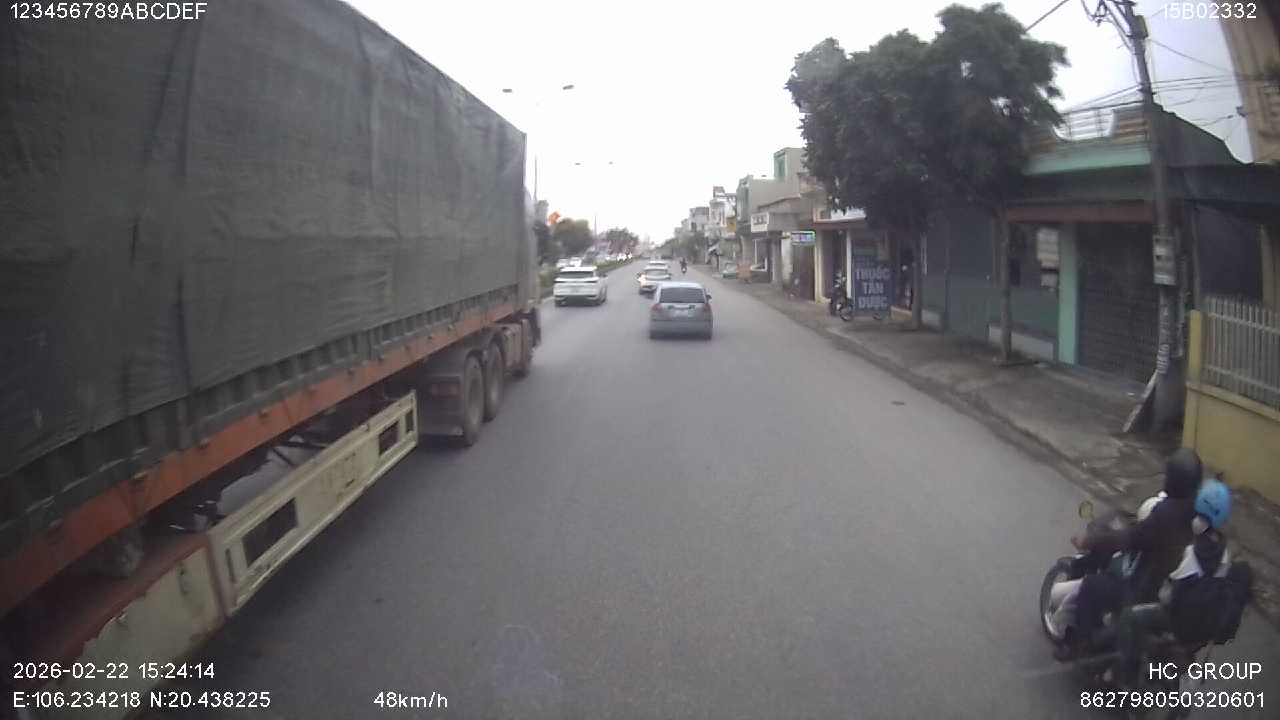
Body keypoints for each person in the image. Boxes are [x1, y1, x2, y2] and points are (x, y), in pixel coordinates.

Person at [1057, 448, 1202, 659]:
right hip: (1172, 587)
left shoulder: (1164, 514)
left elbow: (1130, 538)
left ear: (1172, 479)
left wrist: (1089, 541)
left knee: (1091, 586)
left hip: (1143, 589)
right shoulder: (1198, 512)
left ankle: (1081, 645)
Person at [1109, 478, 1233, 687]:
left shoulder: (1192, 553)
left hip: (1179, 619)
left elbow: (1167, 595)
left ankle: (1123, 676)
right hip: (1205, 625)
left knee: (1129, 617)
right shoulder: (1224, 553)